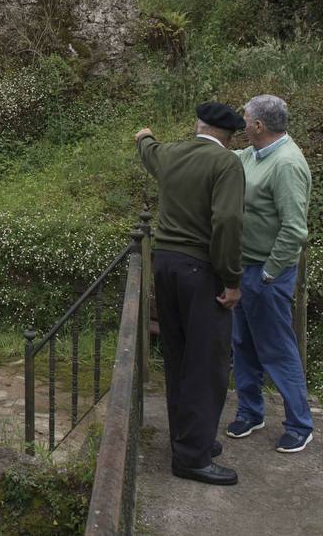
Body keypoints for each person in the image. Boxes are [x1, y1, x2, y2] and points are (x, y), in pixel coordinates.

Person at [135, 102, 246, 486]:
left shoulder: (171, 153)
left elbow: (148, 151)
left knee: (179, 356)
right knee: (207, 363)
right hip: (200, 271)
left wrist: (145, 135)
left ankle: (189, 440)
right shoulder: (226, 164)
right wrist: (231, 279)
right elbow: (228, 221)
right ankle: (191, 458)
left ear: (198, 125)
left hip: (164, 266)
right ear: (230, 136)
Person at [226, 94, 315, 453]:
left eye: (244, 119)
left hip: (267, 273)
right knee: (243, 344)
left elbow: (295, 229)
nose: (241, 123)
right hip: (245, 268)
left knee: (277, 349)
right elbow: (227, 157)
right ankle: (251, 411)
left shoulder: (287, 164)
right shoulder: (254, 154)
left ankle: (300, 424)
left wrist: (267, 275)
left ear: (259, 126)